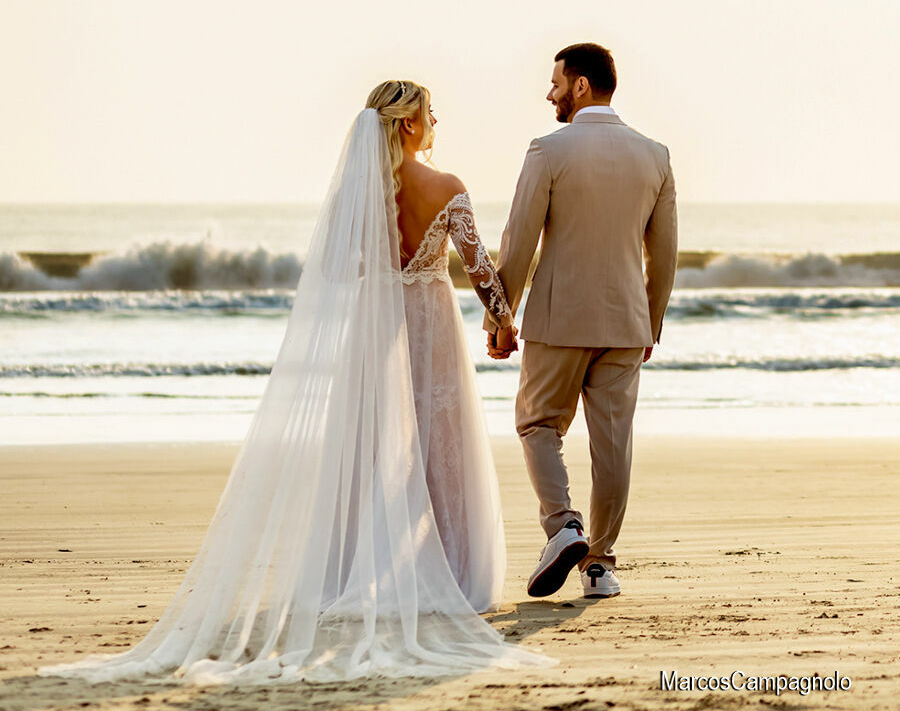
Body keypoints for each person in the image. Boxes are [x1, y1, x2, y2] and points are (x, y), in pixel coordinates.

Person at [38, 82, 550, 684]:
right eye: (429, 112)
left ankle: (355, 570)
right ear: (409, 123)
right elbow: (482, 271)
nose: (436, 121)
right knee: (441, 445)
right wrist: (503, 321)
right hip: (432, 328)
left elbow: (335, 267)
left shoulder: (365, 189)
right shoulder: (448, 188)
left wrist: (384, 265)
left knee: (371, 446)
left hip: (375, 328)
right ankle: (452, 571)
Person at [486, 43, 678, 601]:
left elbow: (518, 241)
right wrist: (651, 323)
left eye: (555, 83)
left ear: (582, 86)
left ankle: (563, 527)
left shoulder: (548, 150)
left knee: (536, 423)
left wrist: (502, 316)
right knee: (612, 445)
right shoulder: (656, 155)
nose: (549, 94)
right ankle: (600, 566)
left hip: (558, 318)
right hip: (626, 323)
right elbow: (663, 255)